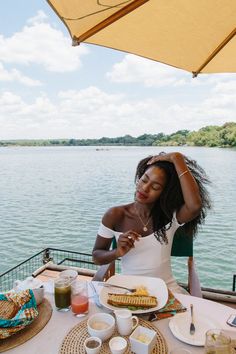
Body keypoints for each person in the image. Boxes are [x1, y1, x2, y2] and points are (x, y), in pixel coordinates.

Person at [92, 152, 211, 293]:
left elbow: (194, 206)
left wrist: (177, 158)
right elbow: (97, 257)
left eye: (155, 187)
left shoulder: (170, 217)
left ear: (164, 192)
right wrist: (117, 252)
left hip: (166, 291)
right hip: (129, 291)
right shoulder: (115, 215)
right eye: (144, 180)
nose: (144, 188)